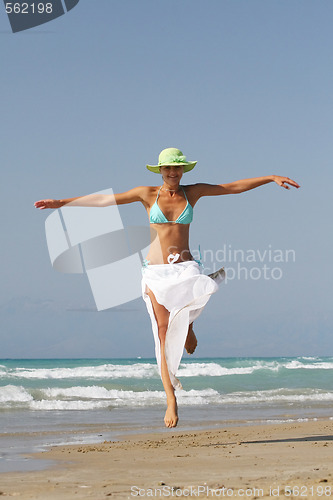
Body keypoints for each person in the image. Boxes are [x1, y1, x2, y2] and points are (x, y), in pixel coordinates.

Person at [35, 147, 300, 428]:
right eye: (167, 168)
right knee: (162, 333)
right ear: (160, 171)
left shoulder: (193, 192)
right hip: (157, 273)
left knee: (196, 296)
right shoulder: (146, 194)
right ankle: (171, 399)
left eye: (177, 168)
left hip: (185, 268)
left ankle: (188, 326)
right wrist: (61, 203)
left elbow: (231, 187)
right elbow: (105, 200)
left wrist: (270, 177)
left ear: (183, 170)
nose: (173, 173)